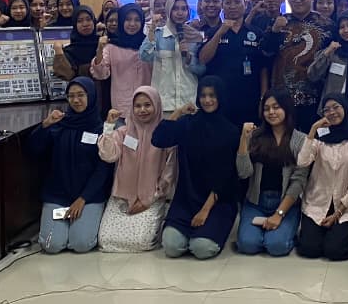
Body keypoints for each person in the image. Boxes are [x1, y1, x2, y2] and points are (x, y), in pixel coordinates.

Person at [152, 77, 240, 260]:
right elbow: (159, 138)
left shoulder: (230, 131)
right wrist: (178, 112)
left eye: (212, 95)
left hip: (217, 201)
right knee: (171, 246)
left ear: (220, 97)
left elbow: (226, 177)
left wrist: (205, 211)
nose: (207, 100)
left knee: (202, 248)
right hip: (187, 199)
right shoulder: (188, 123)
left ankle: (203, 235)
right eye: (203, 95)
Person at [25, 78, 113, 254]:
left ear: (91, 96)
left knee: (81, 243)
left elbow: (103, 169)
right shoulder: (59, 124)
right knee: (51, 245)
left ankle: (83, 223)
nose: (76, 100)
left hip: (88, 197)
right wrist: (45, 125)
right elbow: (33, 149)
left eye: (81, 95)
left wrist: (83, 198)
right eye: (71, 96)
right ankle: (65, 229)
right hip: (58, 195)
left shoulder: (100, 129)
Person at [97, 86, 177, 252]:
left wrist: (150, 199)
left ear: (156, 105)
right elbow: (108, 156)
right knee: (105, 240)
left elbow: (169, 172)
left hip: (152, 197)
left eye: (147, 105)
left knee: (141, 241)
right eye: (138, 106)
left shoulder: (165, 135)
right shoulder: (123, 132)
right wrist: (109, 127)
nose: (142, 110)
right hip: (122, 197)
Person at [295, 94, 348, 261]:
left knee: (336, 252)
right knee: (309, 250)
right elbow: (302, 162)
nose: (332, 112)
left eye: (336, 107)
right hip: (317, 202)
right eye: (327, 109)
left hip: (345, 205)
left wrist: (338, 212)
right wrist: (313, 130)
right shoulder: (319, 138)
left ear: (345, 109)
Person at [236, 90, 308, 256]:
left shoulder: (301, 140)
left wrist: (279, 213)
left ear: (287, 108)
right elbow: (244, 173)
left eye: (276, 107)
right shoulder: (254, 136)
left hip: (285, 203)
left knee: (277, 246)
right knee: (248, 245)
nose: (271, 112)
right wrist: (244, 139)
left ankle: (281, 233)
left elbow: (298, 182)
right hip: (256, 202)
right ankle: (262, 233)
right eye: (266, 108)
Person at [261, 0, 331, 131]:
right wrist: (274, 32)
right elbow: (265, 53)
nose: (298, 0)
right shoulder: (278, 22)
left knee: (312, 140)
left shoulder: (327, 24)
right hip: (282, 99)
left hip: (316, 97)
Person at [198, 0, 268, 127]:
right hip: (219, 100)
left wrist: (263, 98)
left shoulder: (256, 33)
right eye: (228, 3)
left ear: (245, 4)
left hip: (249, 99)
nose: (232, 6)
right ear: (222, 5)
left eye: (237, 2)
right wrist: (220, 33)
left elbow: (263, 69)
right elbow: (203, 59)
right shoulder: (212, 32)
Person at [140, 0, 205, 114]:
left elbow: (201, 70)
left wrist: (189, 58)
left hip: (188, 102)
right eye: (175, 9)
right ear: (168, 10)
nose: (180, 13)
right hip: (164, 104)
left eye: (184, 9)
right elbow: (144, 56)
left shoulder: (195, 36)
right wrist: (152, 30)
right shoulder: (158, 34)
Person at [90, 4, 153, 122]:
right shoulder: (111, 46)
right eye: (128, 19)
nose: (132, 24)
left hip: (148, 107)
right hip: (121, 109)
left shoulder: (149, 45)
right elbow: (101, 74)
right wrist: (99, 50)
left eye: (137, 20)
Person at [52, 6, 101, 81]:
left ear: (94, 21)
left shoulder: (102, 45)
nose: (85, 24)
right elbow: (67, 75)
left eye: (88, 19)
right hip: (79, 88)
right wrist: (59, 53)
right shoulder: (69, 51)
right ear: (75, 25)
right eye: (80, 21)